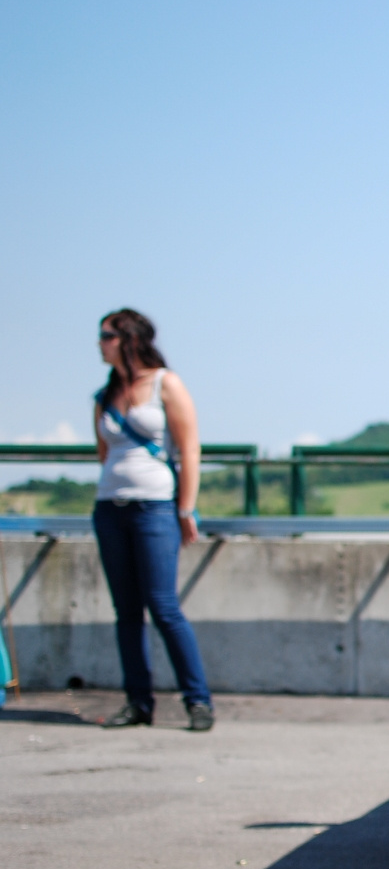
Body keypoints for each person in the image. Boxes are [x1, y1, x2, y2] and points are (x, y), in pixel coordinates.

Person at [92, 309, 214, 731]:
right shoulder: (105, 394)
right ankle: (138, 702)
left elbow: (189, 448)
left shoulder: (166, 383)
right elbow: (104, 453)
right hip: (109, 508)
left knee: (163, 606)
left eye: (106, 335)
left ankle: (198, 701)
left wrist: (185, 508)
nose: (99, 342)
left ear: (128, 338)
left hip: (155, 507)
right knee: (125, 610)